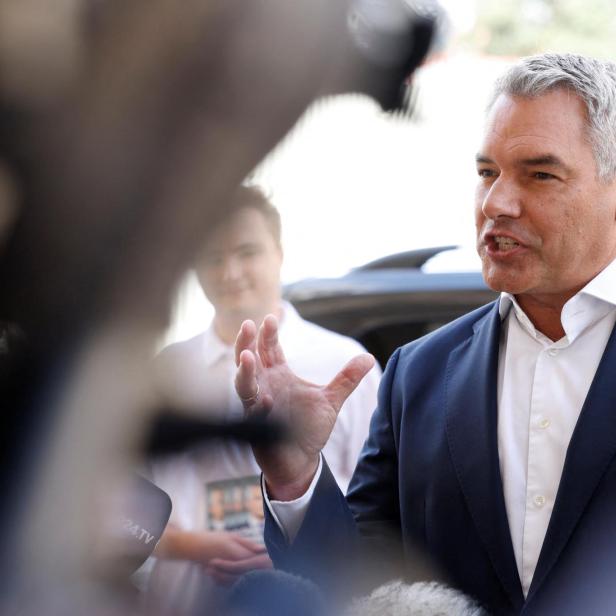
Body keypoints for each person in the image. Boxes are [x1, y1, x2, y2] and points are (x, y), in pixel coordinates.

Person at [234, 53, 616, 615]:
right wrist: (296, 477)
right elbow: (356, 583)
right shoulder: (419, 374)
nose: (496, 203)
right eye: (487, 172)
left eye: (540, 174)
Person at [145, 186, 381, 613]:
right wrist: (192, 545)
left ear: (280, 252)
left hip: (314, 596)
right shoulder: (167, 369)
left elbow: (377, 503)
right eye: (213, 258)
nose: (230, 272)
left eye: (247, 252)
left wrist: (286, 539)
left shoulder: (345, 362)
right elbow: (117, 507)